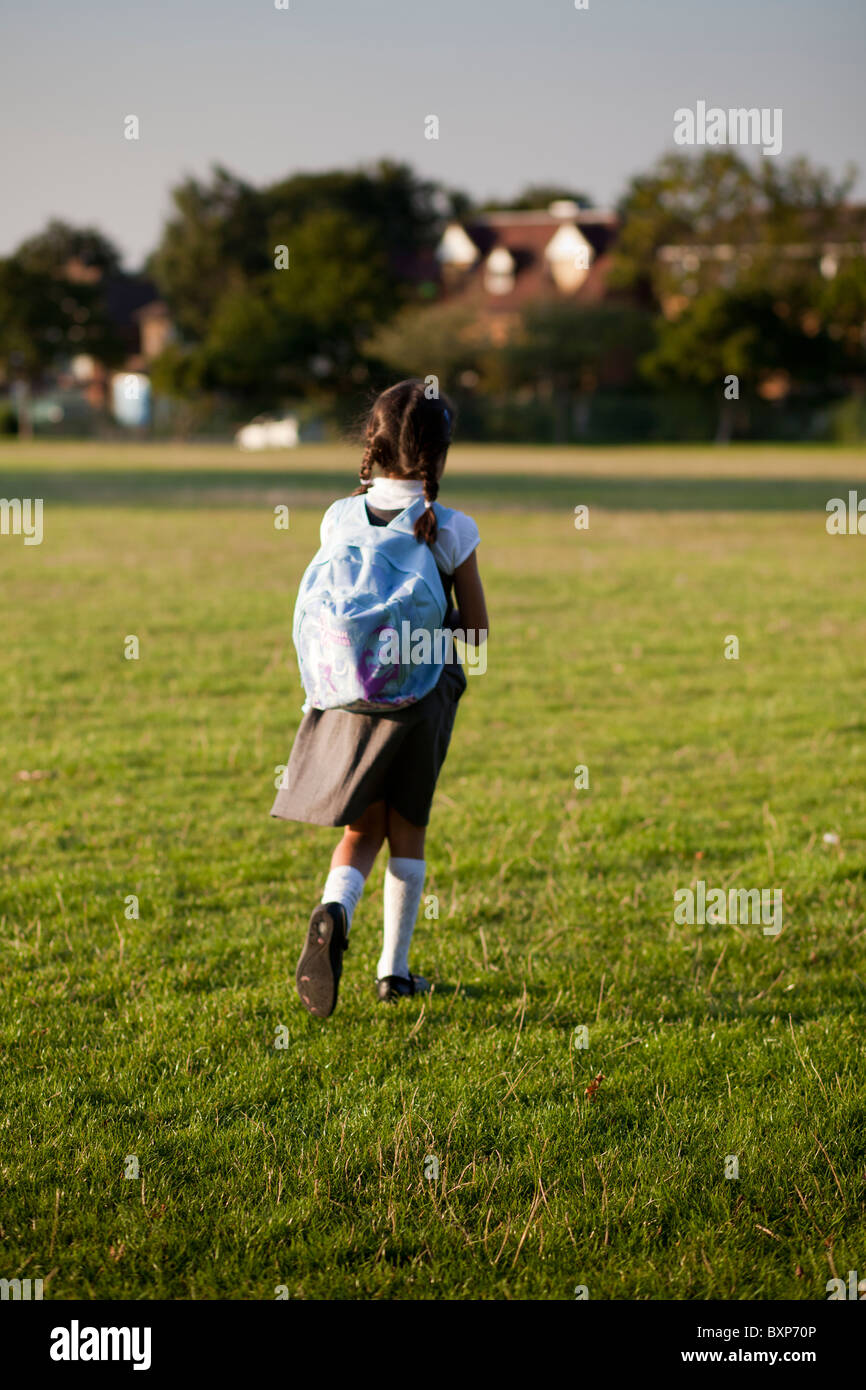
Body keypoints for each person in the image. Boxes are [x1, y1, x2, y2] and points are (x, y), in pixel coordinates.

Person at [271, 379, 489, 1017]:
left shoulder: (338, 515)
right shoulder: (451, 527)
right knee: (408, 828)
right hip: (416, 699)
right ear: (440, 454)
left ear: (372, 444)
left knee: (360, 827)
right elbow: (475, 636)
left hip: (346, 697)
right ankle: (394, 974)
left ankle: (334, 909)